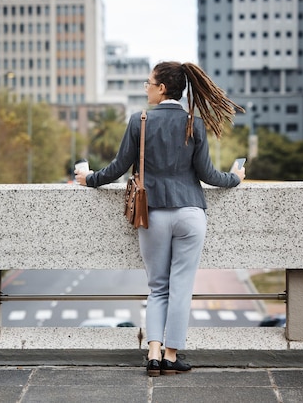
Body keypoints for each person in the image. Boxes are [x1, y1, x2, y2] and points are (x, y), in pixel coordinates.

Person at [75, 61, 246, 376]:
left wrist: (89, 178)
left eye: (148, 82)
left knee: (158, 287)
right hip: (191, 213)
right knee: (181, 287)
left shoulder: (139, 120)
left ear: (162, 88)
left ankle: (153, 353)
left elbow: (117, 168)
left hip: (153, 213)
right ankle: (171, 354)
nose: (146, 87)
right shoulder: (193, 123)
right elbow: (208, 175)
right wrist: (235, 177)